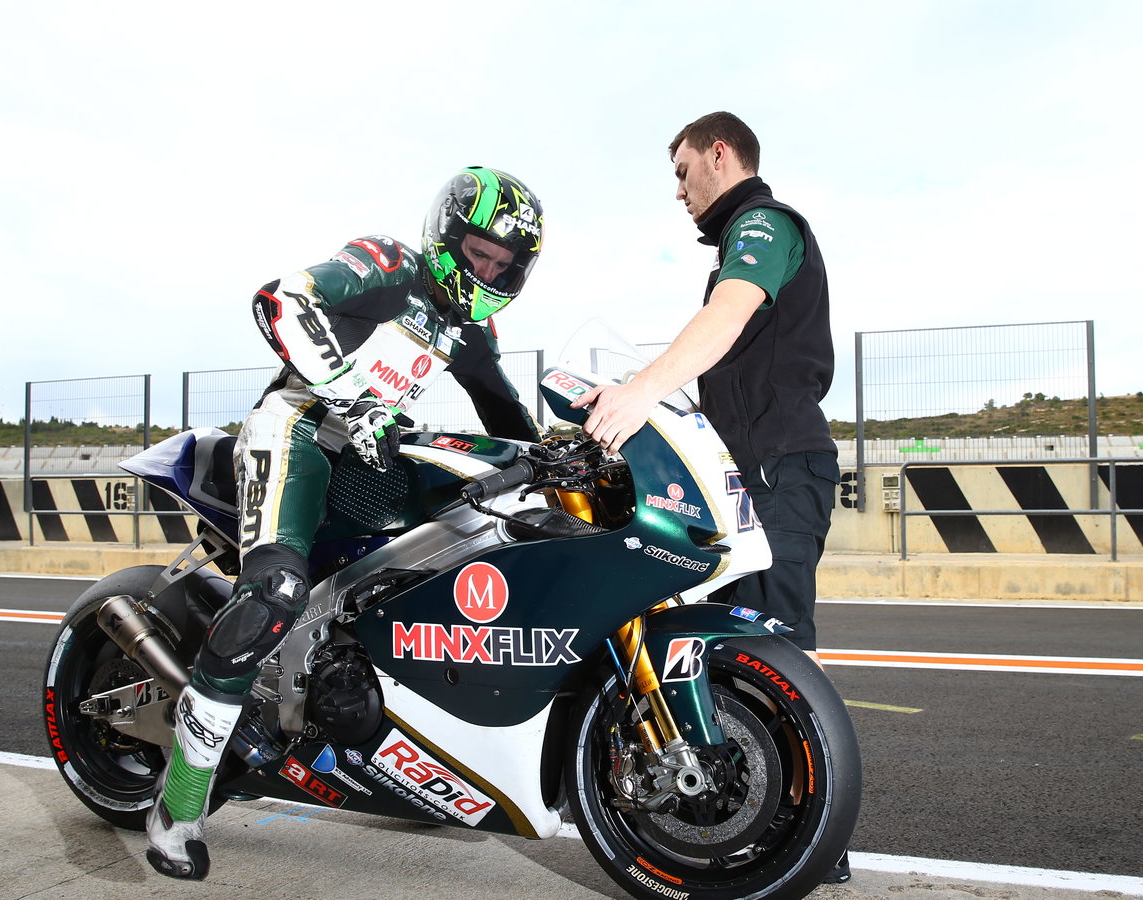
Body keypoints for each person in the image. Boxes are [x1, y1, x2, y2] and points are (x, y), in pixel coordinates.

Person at [147, 167, 545, 880]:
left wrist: (558, 459)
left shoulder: (471, 329)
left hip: (374, 452)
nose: (487, 272)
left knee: (465, 543)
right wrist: (353, 395)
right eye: (479, 253)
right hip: (300, 427)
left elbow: (503, 411)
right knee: (274, 592)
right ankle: (179, 801)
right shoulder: (391, 266)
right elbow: (283, 299)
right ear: (447, 235)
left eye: (503, 265)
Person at [570, 114, 848, 883]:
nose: (679, 191)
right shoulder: (740, 238)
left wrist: (639, 392)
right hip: (750, 472)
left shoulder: (765, 224)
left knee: (772, 654)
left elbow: (724, 316)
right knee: (728, 653)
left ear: (719, 155)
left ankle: (811, 846)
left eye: (683, 170)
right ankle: (781, 838)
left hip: (777, 471)